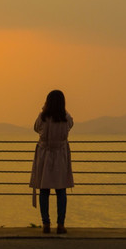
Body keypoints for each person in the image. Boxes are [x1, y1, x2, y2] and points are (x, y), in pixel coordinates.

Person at [30, 90, 75, 234]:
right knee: (61, 190)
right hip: (60, 156)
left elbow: (36, 128)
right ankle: (60, 224)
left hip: (44, 156)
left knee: (44, 190)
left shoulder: (42, 117)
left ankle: (46, 224)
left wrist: (44, 109)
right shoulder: (65, 117)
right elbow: (71, 124)